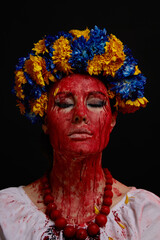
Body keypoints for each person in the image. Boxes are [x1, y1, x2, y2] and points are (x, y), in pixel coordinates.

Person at [0, 26, 159, 240]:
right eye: (64, 103)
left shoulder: (147, 215)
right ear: (44, 119)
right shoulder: (7, 214)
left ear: (112, 119)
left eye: (95, 103)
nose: (80, 114)